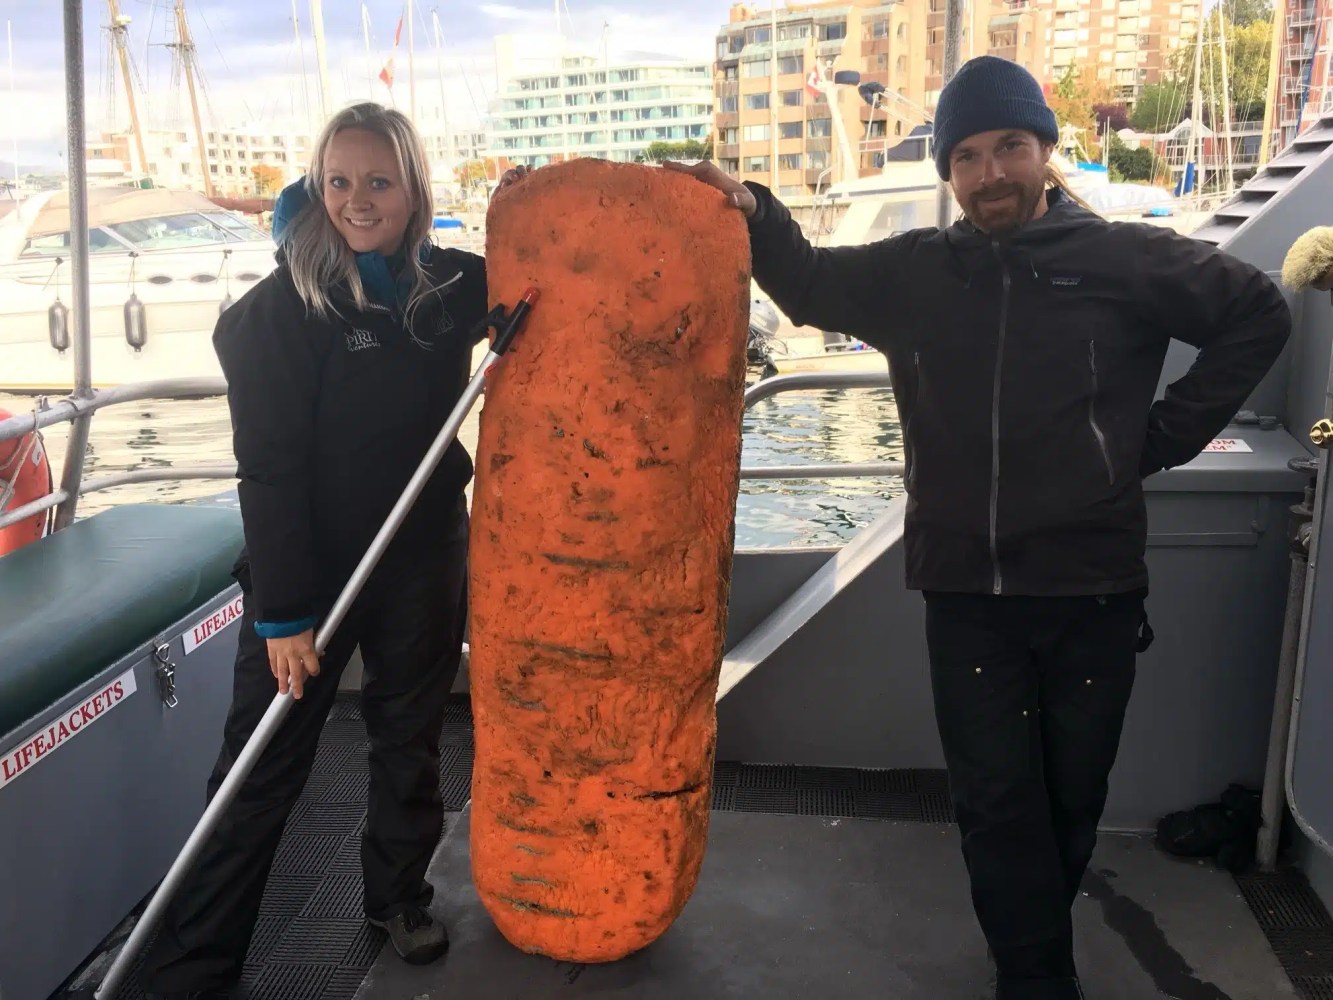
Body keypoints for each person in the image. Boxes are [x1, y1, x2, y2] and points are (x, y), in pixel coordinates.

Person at [667, 56, 1291, 1000]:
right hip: (966, 592)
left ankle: (1028, 948)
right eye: (966, 155)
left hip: (1092, 586)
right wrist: (753, 210)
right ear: (948, 173)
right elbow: (806, 282)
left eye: (1007, 147)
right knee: (997, 804)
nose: (989, 172)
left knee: (1071, 797)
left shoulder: (1124, 259)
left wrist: (1151, 440)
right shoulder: (918, 271)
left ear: (1042, 149)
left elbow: (1257, 312)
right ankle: (1035, 979)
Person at [142, 103, 518, 999]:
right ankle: (195, 964)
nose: (357, 200)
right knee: (263, 766)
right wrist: (280, 615)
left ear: (413, 190)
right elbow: (266, 476)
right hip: (308, 578)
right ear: (317, 189)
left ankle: (396, 897)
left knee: (409, 737)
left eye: (378, 182)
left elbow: (533, 277)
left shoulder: (447, 289)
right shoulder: (275, 316)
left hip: (421, 555)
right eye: (338, 181)